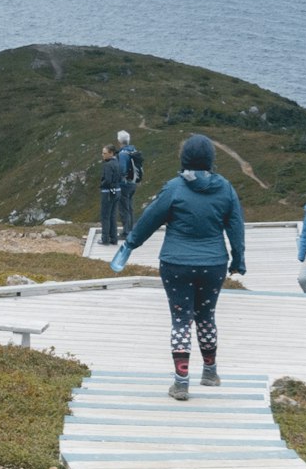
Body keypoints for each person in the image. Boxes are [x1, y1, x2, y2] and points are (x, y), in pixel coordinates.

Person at [112, 133, 245, 398]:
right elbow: (236, 227)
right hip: (214, 263)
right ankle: (210, 373)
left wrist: (129, 246)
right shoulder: (226, 188)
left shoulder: (174, 187)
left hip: (175, 263)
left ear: (184, 158)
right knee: (206, 317)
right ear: (210, 159)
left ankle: (181, 383)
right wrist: (238, 260)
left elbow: (150, 219)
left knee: (181, 321)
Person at [96, 129, 142, 247]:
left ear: (119, 141)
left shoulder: (122, 154)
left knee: (123, 209)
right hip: (133, 183)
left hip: (124, 184)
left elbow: (121, 170)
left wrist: (117, 182)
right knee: (130, 207)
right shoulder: (133, 150)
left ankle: (126, 232)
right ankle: (131, 230)